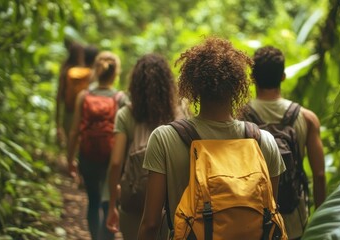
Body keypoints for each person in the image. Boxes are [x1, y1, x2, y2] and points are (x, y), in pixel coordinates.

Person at [138, 38, 286, 239]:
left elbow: (151, 223)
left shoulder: (165, 138)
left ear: (193, 88)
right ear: (238, 87)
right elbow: (269, 213)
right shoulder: (263, 142)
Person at [244, 46, 326, 240]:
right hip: (294, 219)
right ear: (283, 76)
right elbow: (320, 175)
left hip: (252, 220)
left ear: (252, 78)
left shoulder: (240, 117)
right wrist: (321, 223)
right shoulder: (306, 118)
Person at [105, 54, 183, 239]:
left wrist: (112, 205)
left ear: (135, 85)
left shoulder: (126, 115)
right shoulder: (179, 112)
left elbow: (116, 162)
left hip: (133, 201)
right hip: (170, 204)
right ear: (167, 85)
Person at [67, 51, 128, 240]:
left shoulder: (83, 96)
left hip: (87, 155)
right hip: (111, 157)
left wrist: (70, 159)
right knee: (108, 203)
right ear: (115, 73)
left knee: (93, 202)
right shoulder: (120, 98)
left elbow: (74, 131)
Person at [56, 42, 99, 146]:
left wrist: (57, 123)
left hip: (68, 111)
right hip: (83, 114)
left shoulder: (67, 71)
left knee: (70, 143)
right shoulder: (90, 74)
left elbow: (59, 96)